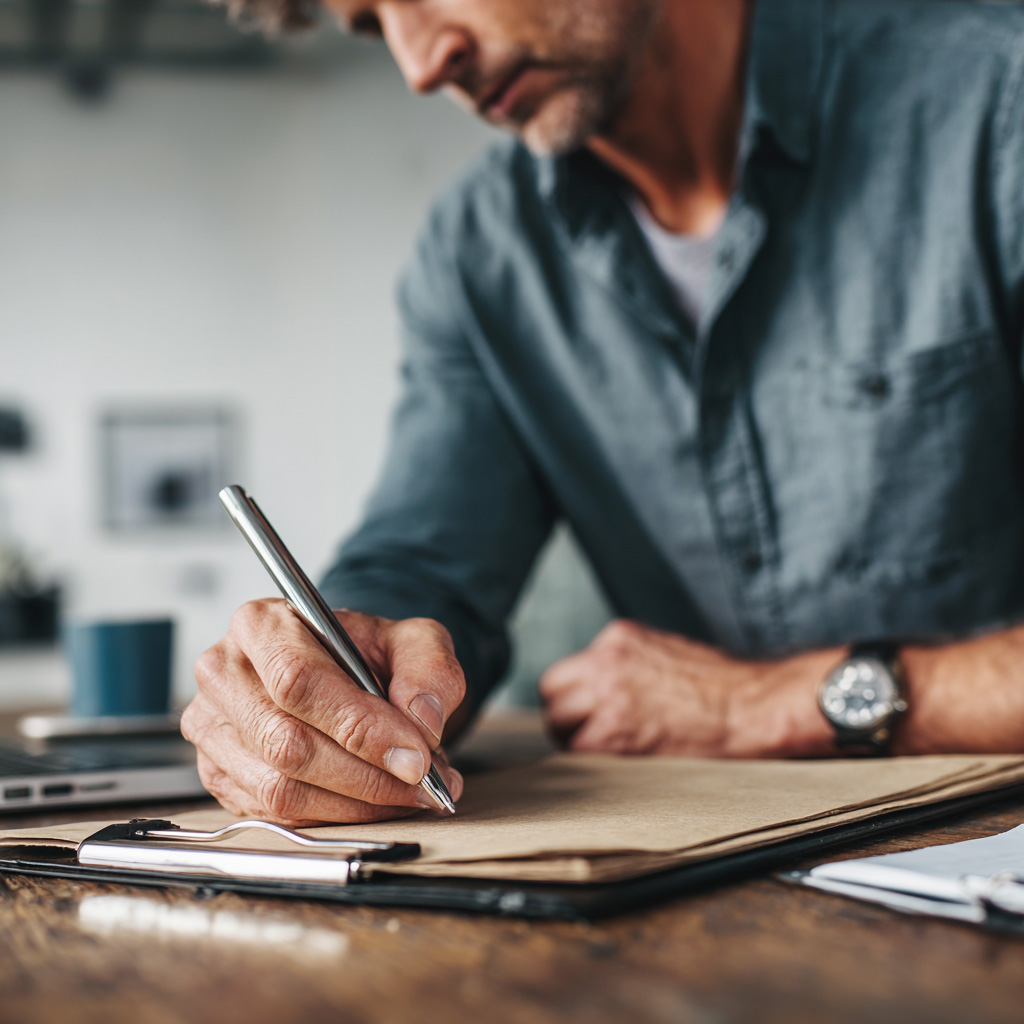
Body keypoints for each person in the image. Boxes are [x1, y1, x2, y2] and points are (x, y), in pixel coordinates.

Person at [182, 0, 1024, 826]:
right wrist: (328, 683)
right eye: (370, 24)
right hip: (707, 895)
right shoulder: (478, 257)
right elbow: (423, 567)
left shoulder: (998, 98)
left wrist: (765, 707)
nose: (420, 64)